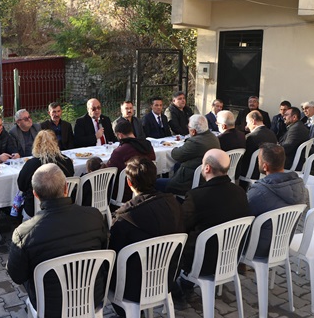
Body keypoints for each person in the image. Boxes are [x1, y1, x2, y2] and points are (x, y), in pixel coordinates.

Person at [7, 164, 108, 317]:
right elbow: (105, 250)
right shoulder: (94, 216)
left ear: (35, 195)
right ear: (66, 187)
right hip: (92, 297)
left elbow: (17, 276)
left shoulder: (24, 232)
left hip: (50, 307)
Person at [108, 157, 183, 314]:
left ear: (129, 183)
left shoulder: (123, 218)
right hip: (167, 277)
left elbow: (114, 255)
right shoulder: (173, 203)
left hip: (133, 288)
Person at [179, 149, 250, 292]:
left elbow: (180, 227)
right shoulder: (240, 192)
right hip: (230, 257)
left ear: (207, 168)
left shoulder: (196, 197)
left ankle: (180, 287)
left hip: (203, 262)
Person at [246, 143, 306, 256]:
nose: (258, 162)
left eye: (259, 159)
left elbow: (243, 217)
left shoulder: (258, 191)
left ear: (265, 166)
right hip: (283, 243)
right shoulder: (299, 185)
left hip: (259, 248)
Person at [17, 130, 74, 218]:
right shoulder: (67, 161)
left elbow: (21, 186)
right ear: (55, 143)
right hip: (64, 205)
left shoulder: (31, 164)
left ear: (36, 145)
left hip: (35, 209)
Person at [157, 115, 220, 195]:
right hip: (205, 176)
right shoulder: (213, 137)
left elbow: (176, 155)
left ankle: (167, 201)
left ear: (193, 131)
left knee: (157, 182)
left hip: (192, 181)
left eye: (189, 127)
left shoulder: (195, 142)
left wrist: (174, 147)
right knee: (177, 165)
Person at [106, 121, 156, 202]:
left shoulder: (120, 151)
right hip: (149, 188)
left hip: (126, 194)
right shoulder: (147, 145)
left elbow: (109, 172)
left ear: (120, 135)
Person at [239, 111, 277, 190]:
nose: (246, 126)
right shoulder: (272, 134)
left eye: (247, 122)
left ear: (253, 121)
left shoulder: (251, 137)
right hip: (266, 170)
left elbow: (245, 156)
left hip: (251, 172)